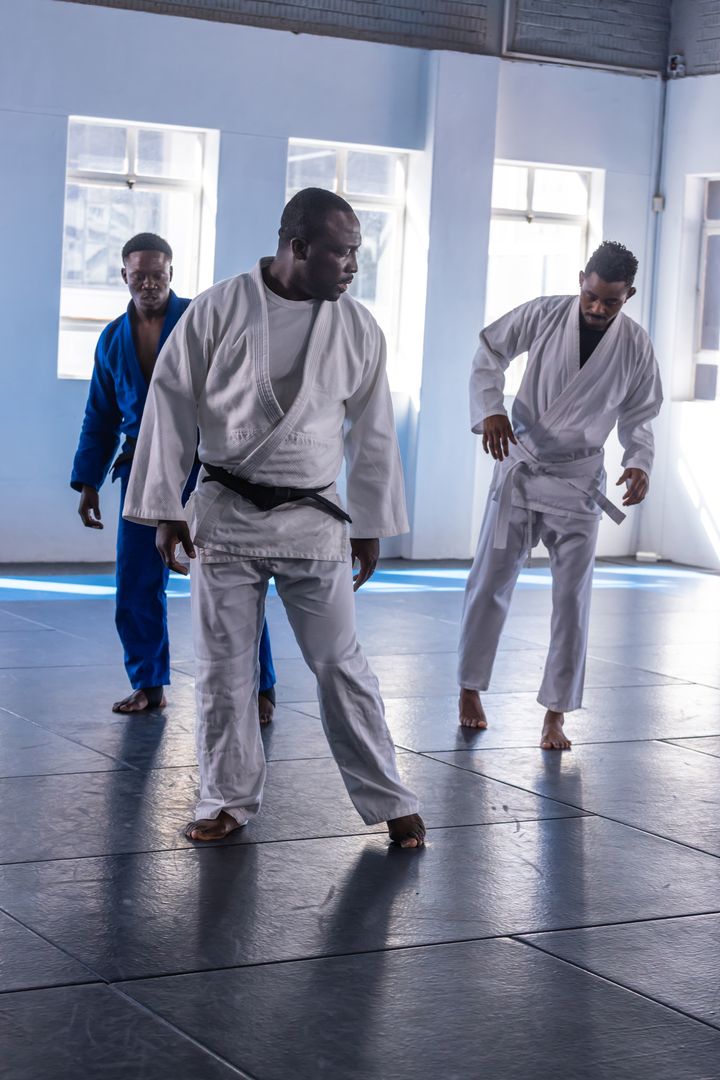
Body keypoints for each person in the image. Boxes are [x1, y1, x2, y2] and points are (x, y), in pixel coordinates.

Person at [123, 189, 425, 848]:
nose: (352, 265)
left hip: (316, 517)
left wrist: (369, 521)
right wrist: (164, 508)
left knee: (340, 662)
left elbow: (372, 431)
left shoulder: (357, 326)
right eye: (341, 252)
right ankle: (226, 799)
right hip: (226, 513)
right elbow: (169, 405)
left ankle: (388, 794)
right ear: (297, 247)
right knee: (225, 668)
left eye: (357, 252)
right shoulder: (219, 309)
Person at [458, 241, 663, 750]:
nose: (597, 308)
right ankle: (468, 688)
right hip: (522, 468)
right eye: (591, 296)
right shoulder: (546, 314)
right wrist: (491, 408)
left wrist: (638, 461)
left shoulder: (636, 346)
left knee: (572, 600)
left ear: (628, 295)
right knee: (489, 583)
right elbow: (490, 350)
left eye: (610, 302)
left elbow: (641, 414)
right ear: (581, 279)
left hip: (579, 480)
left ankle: (556, 713)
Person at [71, 233, 277, 721]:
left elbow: (238, 393)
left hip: (204, 467)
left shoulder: (197, 319)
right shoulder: (111, 339)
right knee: (136, 583)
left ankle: (261, 685)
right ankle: (147, 683)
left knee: (232, 578)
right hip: (141, 472)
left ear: (171, 273)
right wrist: (88, 481)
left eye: (157, 275)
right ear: (124, 275)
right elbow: (99, 415)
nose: (148, 283)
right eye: (138, 275)